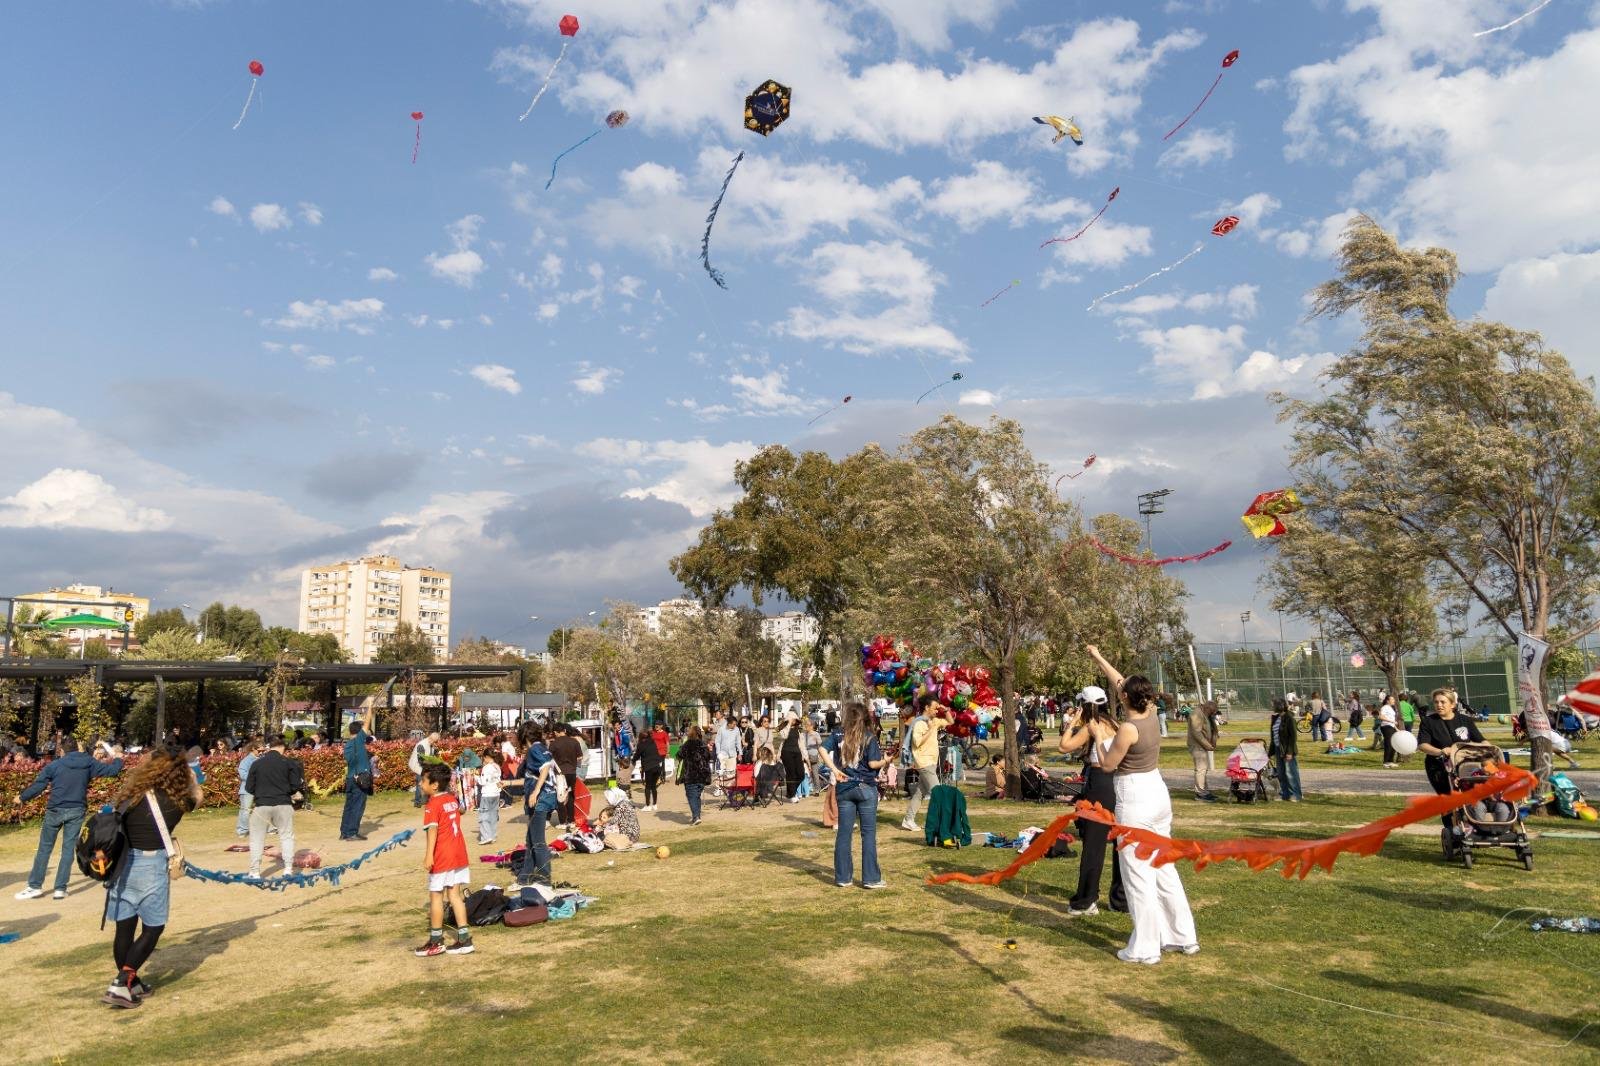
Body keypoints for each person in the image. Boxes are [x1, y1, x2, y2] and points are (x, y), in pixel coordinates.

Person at [1086, 646, 1197, 964]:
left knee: (1137, 874)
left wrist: (1097, 736)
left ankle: (1146, 947)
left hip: (1135, 797)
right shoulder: (1150, 711)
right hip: (1157, 793)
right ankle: (1182, 936)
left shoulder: (1128, 729)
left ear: (1125, 698)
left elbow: (1107, 765)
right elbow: (1120, 681)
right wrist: (1098, 657)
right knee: (1164, 866)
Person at [102, 745, 202, 1007]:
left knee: (124, 928)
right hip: (151, 865)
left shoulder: (130, 796)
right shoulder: (176, 801)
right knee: (153, 927)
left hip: (123, 865)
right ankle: (121, 983)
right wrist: (193, 779)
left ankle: (132, 982)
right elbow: (197, 798)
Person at [14, 737, 124, 901]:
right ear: (77, 749)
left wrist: (22, 797)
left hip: (55, 809)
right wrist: (118, 759)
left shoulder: (55, 765)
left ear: (62, 750)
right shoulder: (88, 762)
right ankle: (60, 889)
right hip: (76, 810)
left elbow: (39, 786)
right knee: (67, 850)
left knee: (44, 849)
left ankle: (35, 886)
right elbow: (112, 771)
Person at [1057, 686, 1126, 917]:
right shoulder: (1116, 724)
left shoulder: (1091, 726)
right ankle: (1120, 900)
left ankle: (1086, 900)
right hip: (1119, 782)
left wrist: (1072, 722)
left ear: (1084, 706)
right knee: (1120, 843)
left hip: (1099, 783)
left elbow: (1063, 746)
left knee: (1094, 845)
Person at [820, 701, 888, 889]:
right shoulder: (869, 737)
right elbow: (873, 764)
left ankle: (843, 877)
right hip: (865, 787)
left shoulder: (837, 734)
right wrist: (886, 760)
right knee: (868, 834)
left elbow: (822, 749)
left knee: (844, 833)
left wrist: (834, 770)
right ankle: (871, 878)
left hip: (844, 788)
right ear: (865, 717)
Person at [415, 763, 474, 957]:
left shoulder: (432, 804)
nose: (420, 784)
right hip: (459, 853)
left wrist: (428, 855)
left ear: (434, 785)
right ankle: (464, 939)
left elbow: (432, 831)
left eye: (423, 781)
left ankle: (436, 941)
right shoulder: (451, 798)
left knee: (436, 896)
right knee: (455, 896)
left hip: (443, 855)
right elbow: (461, 810)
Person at [1417, 688, 1485, 829]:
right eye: (1436, 702)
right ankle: (1451, 829)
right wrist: (1440, 751)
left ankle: (1472, 825)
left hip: (1464, 766)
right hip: (1439, 767)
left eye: (1443, 702)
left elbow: (1481, 740)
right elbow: (1423, 745)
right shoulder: (1429, 722)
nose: (1439, 705)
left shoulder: (1465, 720)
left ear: (1452, 704)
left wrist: (1487, 748)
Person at [245, 735, 304, 879]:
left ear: (269, 747)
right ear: (282, 748)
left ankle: (254, 872)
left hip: (262, 805)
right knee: (286, 836)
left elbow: (249, 787)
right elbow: (296, 785)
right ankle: (288, 869)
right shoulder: (289, 763)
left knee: (257, 838)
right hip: (283, 803)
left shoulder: (257, 763)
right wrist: (288, 792)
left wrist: (261, 793)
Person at [506, 724, 557, 886]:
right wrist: (508, 783)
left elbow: (545, 768)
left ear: (524, 737)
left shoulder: (534, 749)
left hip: (540, 800)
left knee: (538, 843)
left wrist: (535, 792)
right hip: (545, 797)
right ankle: (525, 876)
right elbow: (531, 777)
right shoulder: (542, 748)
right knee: (531, 841)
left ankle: (544, 879)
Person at [901, 693, 950, 832]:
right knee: (938, 793)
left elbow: (951, 722)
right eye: (934, 708)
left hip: (931, 762)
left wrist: (945, 710)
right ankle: (940, 824)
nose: (936, 711)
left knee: (919, 793)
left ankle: (908, 820)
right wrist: (931, 729)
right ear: (927, 707)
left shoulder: (934, 721)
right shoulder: (919, 723)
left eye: (937, 708)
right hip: (924, 762)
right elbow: (917, 742)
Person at [339, 703, 376, 841]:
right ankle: (352, 833)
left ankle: (344, 832)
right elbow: (367, 722)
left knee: (349, 806)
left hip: (350, 778)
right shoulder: (359, 740)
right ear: (359, 732)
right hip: (360, 779)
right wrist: (370, 706)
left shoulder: (347, 745)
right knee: (358, 806)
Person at [548, 724, 583, 830]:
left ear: (555, 732)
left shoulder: (553, 744)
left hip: (560, 774)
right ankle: (571, 821)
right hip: (572, 773)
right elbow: (580, 757)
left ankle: (563, 822)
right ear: (564, 730)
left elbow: (549, 759)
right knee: (571, 796)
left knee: (561, 797)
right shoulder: (574, 741)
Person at [1268, 697, 1303, 802]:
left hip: (1287, 749)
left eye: (1274, 705)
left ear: (1280, 706)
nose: (1272, 707)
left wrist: (1290, 752)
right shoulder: (1275, 718)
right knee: (1281, 773)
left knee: (1290, 773)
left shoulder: (1289, 718)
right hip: (1278, 749)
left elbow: (1293, 737)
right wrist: (1270, 753)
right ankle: (1285, 794)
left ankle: (1295, 794)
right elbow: (1274, 737)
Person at [677, 724, 713, 825]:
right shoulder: (703, 744)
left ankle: (696, 816)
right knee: (697, 796)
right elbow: (708, 757)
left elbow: (679, 755)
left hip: (691, 775)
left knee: (691, 796)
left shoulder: (687, 744)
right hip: (703, 775)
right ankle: (697, 816)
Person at [1186, 701, 1219, 802]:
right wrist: (1207, 745)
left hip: (1202, 746)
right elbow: (1197, 733)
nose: (1212, 714)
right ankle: (1200, 793)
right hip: (1197, 746)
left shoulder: (1203, 713)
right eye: (1212, 712)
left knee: (1203, 769)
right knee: (1200, 769)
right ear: (1207, 708)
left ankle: (1205, 791)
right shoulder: (1196, 714)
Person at [778, 713, 807, 803]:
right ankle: (792, 795)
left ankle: (791, 792)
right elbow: (784, 736)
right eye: (792, 719)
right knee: (791, 774)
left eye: (795, 719)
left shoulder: (798, 730)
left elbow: (802, 744)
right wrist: (789, 724)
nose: (794, 721)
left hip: (797, 753)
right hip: (786, 752)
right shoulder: (784, 729)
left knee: (801, 774)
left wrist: (805, 756)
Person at [637, 721, 665, 812]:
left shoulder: (641, 745)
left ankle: (648, 806)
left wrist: (632, 762)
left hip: (649, 767)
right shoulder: (653, 743)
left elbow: (637, 756)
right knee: (653, 786)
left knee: (648, 787)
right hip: (657, 767)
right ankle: (655, 805)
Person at [477, 746, 501, 844]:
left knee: (484, 815)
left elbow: (483, 782)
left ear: (486, 757)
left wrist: (476, 777)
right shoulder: (497, 766)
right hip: (496, 793)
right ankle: (493, 835)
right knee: (493, 815)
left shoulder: (486, 768)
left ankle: (486, 837)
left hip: (487, 794)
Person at [235, 740, 259, 839]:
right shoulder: (246, 760)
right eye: (260, 750)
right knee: (245, 810)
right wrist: (255, 778)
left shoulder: (261, 759)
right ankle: (242, 830)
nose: (262, 752)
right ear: (253, 749)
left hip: (259, 788)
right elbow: (242, 774)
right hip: (247, 790)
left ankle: (269, 828)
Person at [409, 731, 438, 807]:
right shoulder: (421, 745)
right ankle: (417, 802)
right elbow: (421, 760)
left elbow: (432, 756)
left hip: (426, 766)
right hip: (418, 766)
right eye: (435, 742)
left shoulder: (431, 745)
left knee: (429, 783)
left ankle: (428, 800)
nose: (435, 743)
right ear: (431, 739)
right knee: (420, 783)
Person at [1378, 694, 1400, 767]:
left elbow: (1392, 719)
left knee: (1394, 744)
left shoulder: (1391, 708)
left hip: (1391, 727)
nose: (1394, 700)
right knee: (1388, 744)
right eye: (1392, 699)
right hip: (1386, 727)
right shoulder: (1385, 707)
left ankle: (1391, 761)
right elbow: (1380, 717)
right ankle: (1386, 762)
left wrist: (1396, 728)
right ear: (1387, 701)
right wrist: (1392, 721)